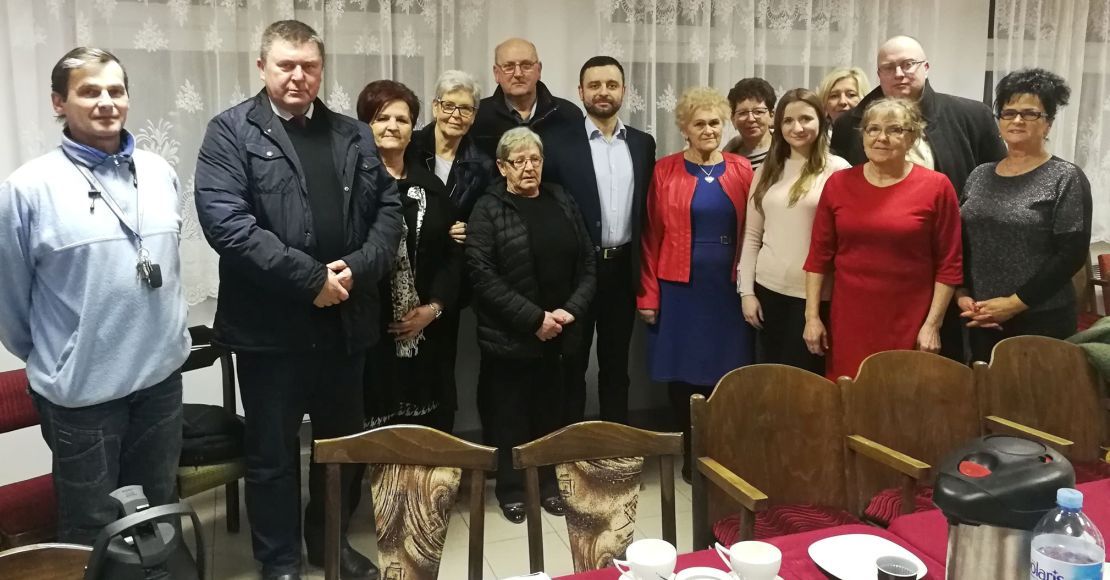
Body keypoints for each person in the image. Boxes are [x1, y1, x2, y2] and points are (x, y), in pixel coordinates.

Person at [194, 20, 402, 580]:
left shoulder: (353, 135)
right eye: (286, 64)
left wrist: (356, 269)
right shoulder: (230, 132)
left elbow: (388, 214)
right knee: (272, 456)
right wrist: (312, 280)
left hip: (345, 326)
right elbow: (228, 225)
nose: (297, 76)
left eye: (308, 65)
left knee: (342, 451)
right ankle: (280, 561)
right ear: (262, 66)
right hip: (270, 332)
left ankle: (329, 545)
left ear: (321, 69)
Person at [0, 47, 189, 547]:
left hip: (159, 385)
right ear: (58, 102)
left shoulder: (159, 172)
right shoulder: (27, 189)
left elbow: (168, 269)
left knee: (159, 514)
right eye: (89, 91)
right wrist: (61, 356)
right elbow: (11, 302)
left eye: (115, 90)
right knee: (92, 531)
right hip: (82, 397)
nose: (106, 102)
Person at [829, 35, 1005, 363]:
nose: (899, 73)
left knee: (936, 368)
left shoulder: (971, 116)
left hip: (954, 272)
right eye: (889, 67)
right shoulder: (850, 125)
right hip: (872, 278)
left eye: (908, 64)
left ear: (926, 67)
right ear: (878, 74)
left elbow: (997, 193)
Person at [466, 127, 596, 524]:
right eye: (518, 161)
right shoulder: (488, 208)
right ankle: (511, 488)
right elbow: (482, 275)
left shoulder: (561, 197)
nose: (528, 167)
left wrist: (570, 311)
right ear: (502, 166)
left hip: (561, 332)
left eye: (534, 159)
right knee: (509, 414)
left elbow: (588, 262)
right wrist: (534, 319)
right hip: (511, 336)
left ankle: (549, 484)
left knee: (552, 413)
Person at [639, 87, 754, 482]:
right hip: (680, 290)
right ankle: (691, 453)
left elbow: (755, 230)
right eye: (699, 123)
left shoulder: (742, 168)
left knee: (728, 371)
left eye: (715, 123)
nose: (708, 130)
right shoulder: (665, 170)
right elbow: (651, 235)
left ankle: (722, 453)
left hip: (729, 290)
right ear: (684, 129)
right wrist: (648, 294)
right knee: (684, 373)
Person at [803, 98, 963, 380]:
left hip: (910, 319)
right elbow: (819, 256)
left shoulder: (937, 187)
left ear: (912, 137)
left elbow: (949, 264)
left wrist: (932, 325)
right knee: (849, 392)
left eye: (895, 129)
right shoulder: (839, 184)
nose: (881, 137)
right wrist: (812, 317)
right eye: (873, 129)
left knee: (902, 395)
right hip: (850, 319)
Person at [543, 56, 657, 425]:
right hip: (575, 273)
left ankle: (615, 447)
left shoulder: (642, 144)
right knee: (571, 364)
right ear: (581, 92)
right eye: (594, 85)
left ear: (624, 90)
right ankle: (569, 448)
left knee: (615, 365)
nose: (603, 92)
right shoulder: (557, 144)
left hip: (622, 269)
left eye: (611, 85)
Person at [959, 68, 1093, 362]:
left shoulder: (1065, 177)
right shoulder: (979, 175)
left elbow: (1071, 254)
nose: (1017, 120)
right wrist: (962, 293)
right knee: (986, 389)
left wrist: (1013, 304)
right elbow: (962, 241)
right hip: (981, 316)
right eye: (1009, 113)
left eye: (1030, 113)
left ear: (1048, 124)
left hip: (1041, 319)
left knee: (1037, 391)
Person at [356, 80, 462, 431]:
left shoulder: (431, 187)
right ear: (366, 125)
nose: (392, 126)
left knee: (424, 433)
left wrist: (434, 308)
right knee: (371, 430)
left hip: (425, 330)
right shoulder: (352, 185)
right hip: (368, 330)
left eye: (402, 119)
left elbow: (452, 254)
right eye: (381, 118)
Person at [738, 89, 850, 375]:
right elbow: (752, 236)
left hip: (816, 297)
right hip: (768, 290)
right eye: (788, 120)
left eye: (806, 119)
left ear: (822, 121)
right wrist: (746, 292)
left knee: (807, 381)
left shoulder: (838, 170)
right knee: (772, 379)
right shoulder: (767, 169)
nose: (797, 128)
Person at [405, 69, 493, 432]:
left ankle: (441, 449)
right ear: (435, 106)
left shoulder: (483, 164)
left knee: (441, 367)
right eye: (448, 105)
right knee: (400, 368)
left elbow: (488, 215)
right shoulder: (410, 147)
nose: (456, 115)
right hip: (404, 270)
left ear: (474, 115)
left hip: (450, 277)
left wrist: (471, 229)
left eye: (466, 109)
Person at [469, 37, 584, 162]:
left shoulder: (567, 115)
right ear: (496, 73)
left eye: (526, 65)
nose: (518, 74)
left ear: (539, 70)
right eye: (509, 66)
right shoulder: (477, 116)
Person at [722, 77, 776, 170]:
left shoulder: (787, 150)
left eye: (758, 112)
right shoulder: (727, 159)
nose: (751, 119)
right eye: (742, 113)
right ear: (733, 119)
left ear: (771, 115)